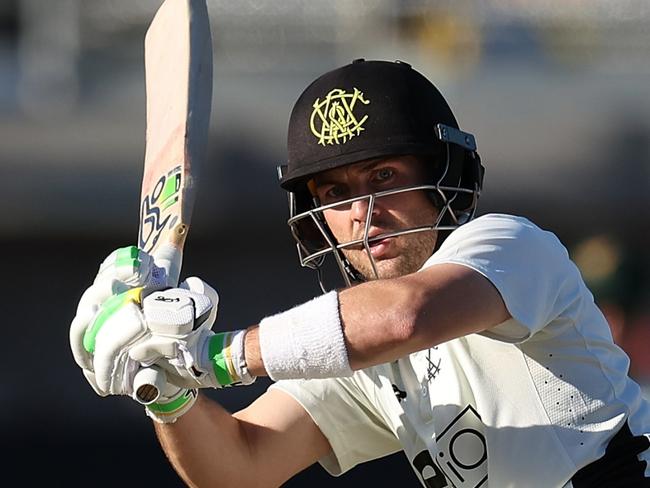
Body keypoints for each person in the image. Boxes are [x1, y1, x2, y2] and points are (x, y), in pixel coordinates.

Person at [69, 59, 650, 487]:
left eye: (384, 177)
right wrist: (167, 389)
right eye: (335, 192)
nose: (363, 214)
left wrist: (215, 355)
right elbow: (238, 469)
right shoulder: (355, 353)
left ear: (442, 178)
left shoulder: (511, 246)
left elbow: (406, 316)